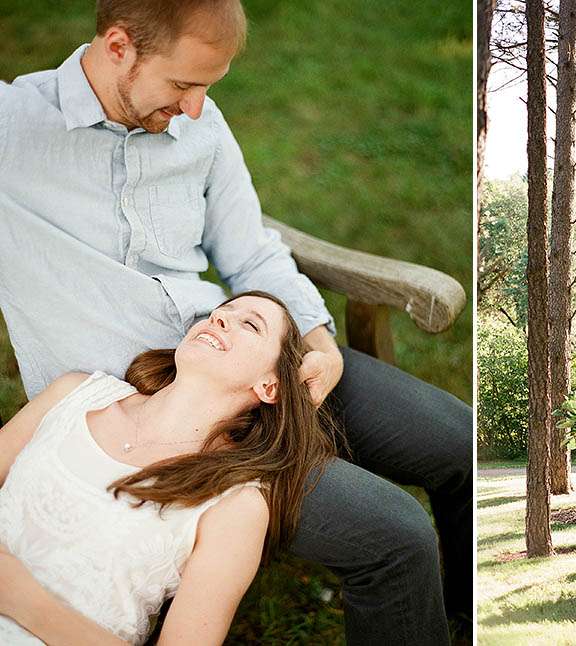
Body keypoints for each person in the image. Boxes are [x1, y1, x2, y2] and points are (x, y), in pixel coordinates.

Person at [0, 1, 471, 644]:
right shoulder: (13, 130)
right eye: (183, 85)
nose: (196, 109)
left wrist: (317, 341)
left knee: (460, 445)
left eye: (209, 88)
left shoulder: (198, 123)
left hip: (253, 350)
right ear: (118, 47)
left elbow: (249, 250)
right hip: (168, 415)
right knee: (394, 536)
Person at [0, 292, 336, 644]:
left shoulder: (236, 504)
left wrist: (27, 603)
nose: (218, 318)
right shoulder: (75, 393)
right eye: (219, 312)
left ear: (271, 387)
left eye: (250, 324)